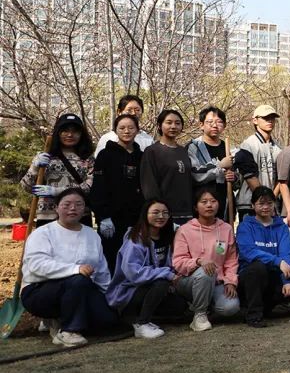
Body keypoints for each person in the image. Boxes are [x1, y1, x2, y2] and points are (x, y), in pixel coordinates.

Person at [20, 189, 117, 347]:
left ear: (84, 209)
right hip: (40, 291)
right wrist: (75, 269)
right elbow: (37, 265)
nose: (73, 208)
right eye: (67, 205)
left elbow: (101, 270)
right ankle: (68, 331)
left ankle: (60, 319)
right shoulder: (43, 233)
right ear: (56, 208)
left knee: (108, 320)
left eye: (79, 204)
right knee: (78, 280)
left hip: (81, 290)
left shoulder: (92, 235)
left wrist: (110, 297)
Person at [106, 199, 188, 338]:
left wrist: (172, 275)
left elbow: (171, 264)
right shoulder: (134, 239)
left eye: (165, 213)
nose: (161, 216)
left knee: (179, 306)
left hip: (154, 288)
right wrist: (166, 274)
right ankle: (141, 323)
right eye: (155, 212)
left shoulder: (168, 236)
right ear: (145, 214)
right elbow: (133, 273)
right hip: (130, 291)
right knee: (162, 282)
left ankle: (143, 318)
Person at [172, 186, 241, 331]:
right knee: (206, 272)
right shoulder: (185, 230)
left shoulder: (226, 228)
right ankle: (200, 314)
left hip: (217, 282)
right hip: (189, 280)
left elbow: (231, 260)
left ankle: (205, 304)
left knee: (230, 307)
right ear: (196, 207)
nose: (209, 205)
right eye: (204, 202)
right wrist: (198, 262)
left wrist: (230, 281)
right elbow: (178, 262)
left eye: (213, 201)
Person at [90, 113, 143, 272]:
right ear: (115, 131)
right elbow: (98, 187)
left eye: (131, 128)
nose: (126, 131)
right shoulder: (105, 155)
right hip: (111, 219)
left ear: (137, 130)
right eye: (122, 128)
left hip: (135, 218)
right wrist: (103, 216)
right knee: (111, 259)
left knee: (134, 258)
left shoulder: (141, 156)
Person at [236, 186, 290, 327]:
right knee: (258, 268)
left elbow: (286, 254)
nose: (265, 207)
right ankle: (253, 315)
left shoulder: (281, 227)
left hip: (272, 274)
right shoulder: (245, 226)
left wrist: (288, 281)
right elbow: (248, 252)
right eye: (261, 203)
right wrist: (277, 261)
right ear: (252, 205)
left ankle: (266, 309)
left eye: (269, 203)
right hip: (249, 276)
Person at [23, 113, 95, 226]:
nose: (70, 134)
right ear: (58, 132)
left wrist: (57, 191)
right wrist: (35, 166)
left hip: (79, 215)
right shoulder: (46, 156)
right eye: (65, 130)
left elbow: (91, 187)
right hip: (48, 215)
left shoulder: (88, 159)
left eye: (75, 131)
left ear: (81, 134)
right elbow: (26, 187)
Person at [140, 109, 194, 224]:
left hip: (186, 211)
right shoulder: (152, 151)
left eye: (177, 123)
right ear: (160, 125)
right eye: (169, 122)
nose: (173, 126)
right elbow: (149, 184)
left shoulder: (184, 151)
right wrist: (157, 209)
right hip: (164, 213)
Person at [187, 106, 237, 221]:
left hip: (225, 203)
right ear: (201, 125)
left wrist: (233, 177)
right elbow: (196, 175)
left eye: (219, 122)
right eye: (210, 122)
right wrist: (220, 166)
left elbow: (237, 177)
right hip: (202, 205)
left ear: (224, 125)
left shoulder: (227, 147)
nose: (214, 125)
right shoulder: (194, 147)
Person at [235, 104, 281, 221]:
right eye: (265, 118)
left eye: (272, 118)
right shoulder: (248, 145)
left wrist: (271, 201)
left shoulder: (278, 148)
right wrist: (265, 201)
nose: (270, 121)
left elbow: (280, 179)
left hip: (271, 206)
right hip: (250, 205)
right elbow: (250, 177)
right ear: (255, 120)